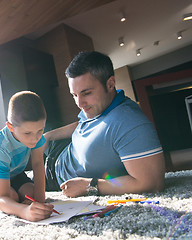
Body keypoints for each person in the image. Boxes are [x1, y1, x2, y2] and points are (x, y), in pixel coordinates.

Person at [44, 51, 165, 198]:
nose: (79, 103)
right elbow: (82, 124)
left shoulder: (129, 123)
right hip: (63, 148)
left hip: (57, 176)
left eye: (86, 93)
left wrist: (90, 185)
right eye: (74, 95)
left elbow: (151, 183)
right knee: (35, 128)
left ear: (110, 84)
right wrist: (47, 137)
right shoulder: (98, 106)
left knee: (15, 181)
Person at [0, 91, 54, 222]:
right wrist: (24, 211)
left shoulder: (36, 136)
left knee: (33, 195)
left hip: (16, 173)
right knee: (11, 198)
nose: (35, 138)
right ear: (11, 127)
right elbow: (2, 198)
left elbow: (37, 163)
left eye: (40, 130)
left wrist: (40, 201)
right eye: (27, 133)